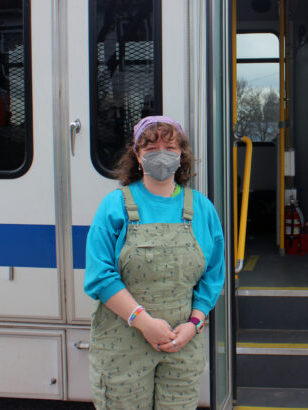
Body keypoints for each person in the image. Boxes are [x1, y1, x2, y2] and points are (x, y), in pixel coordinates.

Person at [84, 115, 225, 409]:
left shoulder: (202, 208)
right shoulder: (114, 206)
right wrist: (143, 321)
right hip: (123, 345)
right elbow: (100, 276)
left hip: (182, 344)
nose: (161, 153)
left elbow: (213, 275)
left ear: (181, 154)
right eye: (150, 148)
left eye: (169, 146)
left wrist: (194, 324)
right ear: (137, 155)